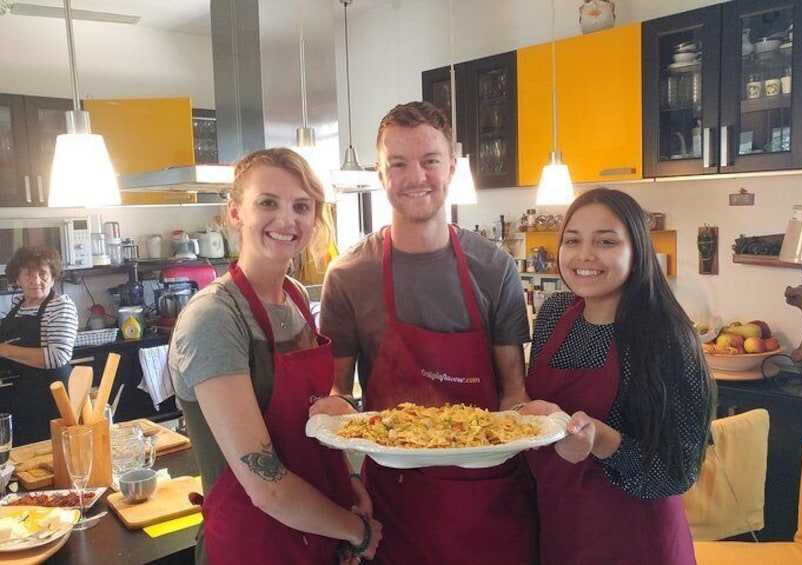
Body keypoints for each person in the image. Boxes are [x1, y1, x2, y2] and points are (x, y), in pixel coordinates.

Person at [315, 101, 537, 564]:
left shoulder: (494, 268)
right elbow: (336, 394)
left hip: (488, 497)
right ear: (381, 173)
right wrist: (331, 429)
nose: (416, 176)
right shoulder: (349, 275)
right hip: (397, 501)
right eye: (398, 163)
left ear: (451, 168)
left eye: (430, 161)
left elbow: (513, 394)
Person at [168, 148, 381, 564]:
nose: (287, 220)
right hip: (253, 544)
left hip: (315, 532)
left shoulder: (297, 299)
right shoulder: (215, 317)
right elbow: (266, 487)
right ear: (234, 214)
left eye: (302, 206)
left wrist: (348, 480)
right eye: (268, 203)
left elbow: (309, 426)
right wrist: (357, 532)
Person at [520, 188, 714, 564]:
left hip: (636, 539)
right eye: (572, 241)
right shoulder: (554, 314)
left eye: (606, 241)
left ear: (637, 251)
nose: (585, 255)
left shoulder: (667, 337)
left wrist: (600, 439)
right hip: (559, 530)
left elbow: (678, 471)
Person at [0, 246, 77, 445]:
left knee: (50, 457)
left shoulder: (61, 305)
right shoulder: (18, 304)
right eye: (28, 275)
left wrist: (4, 350)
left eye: (43, 274)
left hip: (49, 399)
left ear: (53, 276)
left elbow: (57, 357)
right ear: (17, 278)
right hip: (18, 396)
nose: (36, 281)